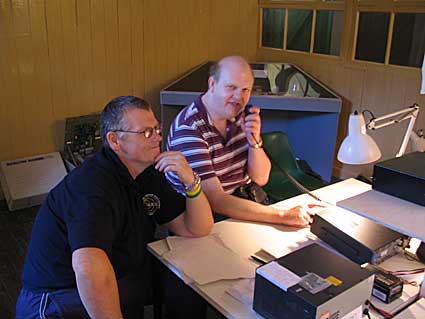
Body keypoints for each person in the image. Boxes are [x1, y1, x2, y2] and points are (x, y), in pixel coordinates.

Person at [16, 96, 213, 319]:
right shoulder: (92, 185)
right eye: (146, 132)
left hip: (117, 276)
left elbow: (195, 228)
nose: (158, 137)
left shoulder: (148, 171)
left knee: (183, 283)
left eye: (157, 129)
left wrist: (192, 182)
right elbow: (88, 268)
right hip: (59, 295)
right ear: (115, 140)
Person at [166, 56, 317, 227]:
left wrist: (255, 142)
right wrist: (282, 215)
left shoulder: (239, 116)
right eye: (231, 87)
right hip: (209, 217)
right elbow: (216, 200)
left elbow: (261, 178)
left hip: (246, 200)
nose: (239, 97)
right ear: (212, 84)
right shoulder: (189, 129)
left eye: (246, 89)